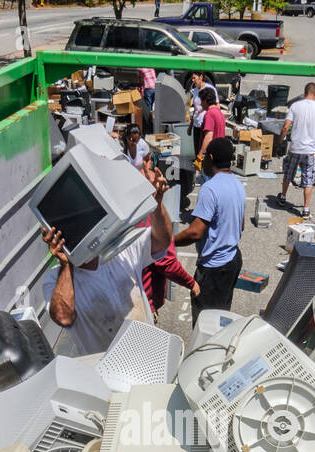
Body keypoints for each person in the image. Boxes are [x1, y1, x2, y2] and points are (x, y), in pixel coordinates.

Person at [40, 165, 174, 355]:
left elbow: (162, 240)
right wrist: (66, 263)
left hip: (147, 356)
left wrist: (157, 205)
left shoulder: (120, 249)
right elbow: (63, 317)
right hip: (106, 374)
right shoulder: (55, 280)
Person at [175, 137, 244, 317]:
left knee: (205, 322)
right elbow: (241, 224)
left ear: (211, 158)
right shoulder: (238, 184)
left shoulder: (210, 188)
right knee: (221, 314)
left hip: (215, 267)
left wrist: (169, 241)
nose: (203, 160)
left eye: (205, 156)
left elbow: (196, 232)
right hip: (232, 260)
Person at [279, 82, 315, 217]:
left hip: (295, 147)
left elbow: (285, 127)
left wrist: (280, 140)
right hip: (309, 151)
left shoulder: (295, 106)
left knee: (288, 173)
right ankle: (306, 209)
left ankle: (283, 197)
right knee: (308, 179)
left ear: (304, 92)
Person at [195, 87, 226, 167]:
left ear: (205, 100)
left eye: (201, 101)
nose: (201, 104)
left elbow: (208, 136)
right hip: (220, 154)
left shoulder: (209, 114)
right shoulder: (219, 112)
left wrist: (200, 155)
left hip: (212, 157)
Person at [189, 72, 218, 154]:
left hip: (205, 125)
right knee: (197, 150)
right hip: (196, 124)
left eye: (194, 78)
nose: (192, 80)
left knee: (203, 150)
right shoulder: (195, 90)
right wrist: (191, 125)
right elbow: (195, 108)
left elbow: (216, 106)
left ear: (201, 77)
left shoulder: (210, 89)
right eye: (192, 78)